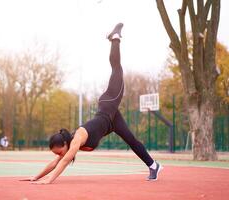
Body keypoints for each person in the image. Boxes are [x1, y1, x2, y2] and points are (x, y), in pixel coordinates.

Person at [30, 23, 162, 185]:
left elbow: (63, 163)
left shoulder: (78, 137)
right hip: (111, 121)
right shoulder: (69, 145)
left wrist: (49, 181)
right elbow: (57, 162)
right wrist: (37, 177)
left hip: (109, 104)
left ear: (65, 144)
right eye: (58, 153)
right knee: (131, 140)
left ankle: (115, 38)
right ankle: (153, 165)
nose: (60, 155)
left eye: (60, 151)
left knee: (116, 69)